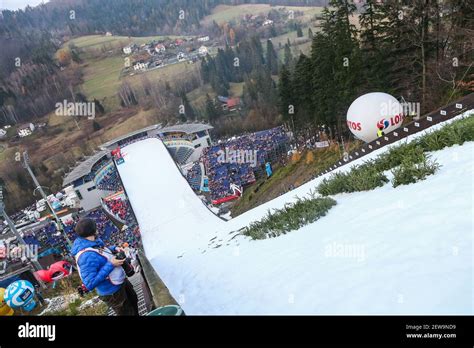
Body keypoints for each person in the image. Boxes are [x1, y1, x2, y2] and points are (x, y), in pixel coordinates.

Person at [71, 218, 139, 316]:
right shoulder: (85, 256)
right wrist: (111, 264)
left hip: (120, 281)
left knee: (133, 300)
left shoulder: (91, 241)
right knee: (128, 313)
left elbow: (100, 251)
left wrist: (114, 248)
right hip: (112, 292)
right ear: (92, 230)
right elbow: (90, 283)